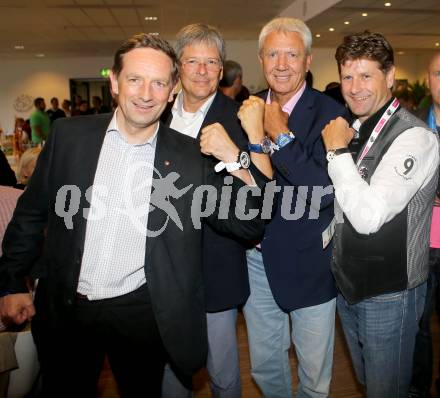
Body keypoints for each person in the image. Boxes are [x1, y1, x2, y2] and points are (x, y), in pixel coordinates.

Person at [0, 33, 266, 397]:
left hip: (141, 313)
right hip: (67, 309)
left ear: (172, 90)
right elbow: (30, 215)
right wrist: (13, 282)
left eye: (158, 83)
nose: (145, 94)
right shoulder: (69, 137)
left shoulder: (190, 158)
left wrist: (236, 159)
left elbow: (249, 220)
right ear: (114, 82)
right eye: (135, 79)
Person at [321, 31, 440, 398]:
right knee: (368, 380)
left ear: (389, 77)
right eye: (348, 77)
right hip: (349, 283)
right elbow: (344, 200)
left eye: (366, 75)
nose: (355, 88)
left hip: (390, 292)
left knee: (385, 390)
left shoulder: (415, 137)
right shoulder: (354, 126)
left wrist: (337, 152)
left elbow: (369, 217)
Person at [238, 17, 347, 398]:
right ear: (260, 59)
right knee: (266, 368)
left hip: (310, 261)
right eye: (272, 54)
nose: (281, 64)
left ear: (307, 60)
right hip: (257, 260)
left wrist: (280, 136)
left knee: (315, 375)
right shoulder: (245, 110)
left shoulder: (331, 113)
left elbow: (323, 189)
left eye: (291, 54)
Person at [161, 23, 271, 398]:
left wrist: (234, 155)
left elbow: (262, 196)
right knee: (170, 374)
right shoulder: (155, 115)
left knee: (222, 372)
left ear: (221, 70)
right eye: (193, 61)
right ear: (178, 67)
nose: (203, 70)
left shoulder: (241, 119)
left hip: (215, 266)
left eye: (211, 62)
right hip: (160, 270)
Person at [409, 51, 440, 398]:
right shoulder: (411, 124)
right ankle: (418, 388)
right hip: (419, 241)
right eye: (438, 74)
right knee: (419, 326)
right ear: (429, 79)